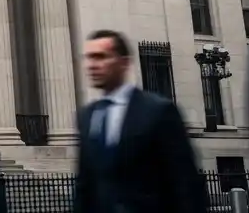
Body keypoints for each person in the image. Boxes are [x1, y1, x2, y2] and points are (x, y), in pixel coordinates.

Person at [73, 30, 204, 213]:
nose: (92, 65)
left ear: (124, 62)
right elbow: (84, 188)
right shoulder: (87, 117)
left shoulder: (158, 111)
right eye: (88, 58)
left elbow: (185, 186)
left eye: (100, 57)